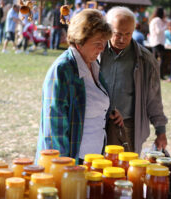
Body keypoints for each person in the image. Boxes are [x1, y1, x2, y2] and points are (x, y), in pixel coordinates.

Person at [35, 9, 123, 163]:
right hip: (73, 163)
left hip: (94, 160)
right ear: (79, 41)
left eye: (104, 43)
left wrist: (108, 112)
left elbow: (89, 104)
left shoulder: (93, 64)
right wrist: (64, 168)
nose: (102, 49)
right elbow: (54, 129)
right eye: (97, 43)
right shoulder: (63, 69)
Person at [100, 7, 168, 154]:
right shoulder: (96, 51)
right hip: (95, 124)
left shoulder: (145, 59)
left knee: (125, 172)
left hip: (126, 126)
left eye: (128, 34)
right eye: (117, 34)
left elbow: (154, 99)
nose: (122, 39)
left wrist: (160, 131)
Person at [149, 7, 168, 79]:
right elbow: (158, 31)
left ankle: (153, 75)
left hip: (154, 41)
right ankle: (160, 75)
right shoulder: (158, 20)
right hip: (158, 42)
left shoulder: (153, 20)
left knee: (155, 59)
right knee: (161, 59)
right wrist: (166, 26)